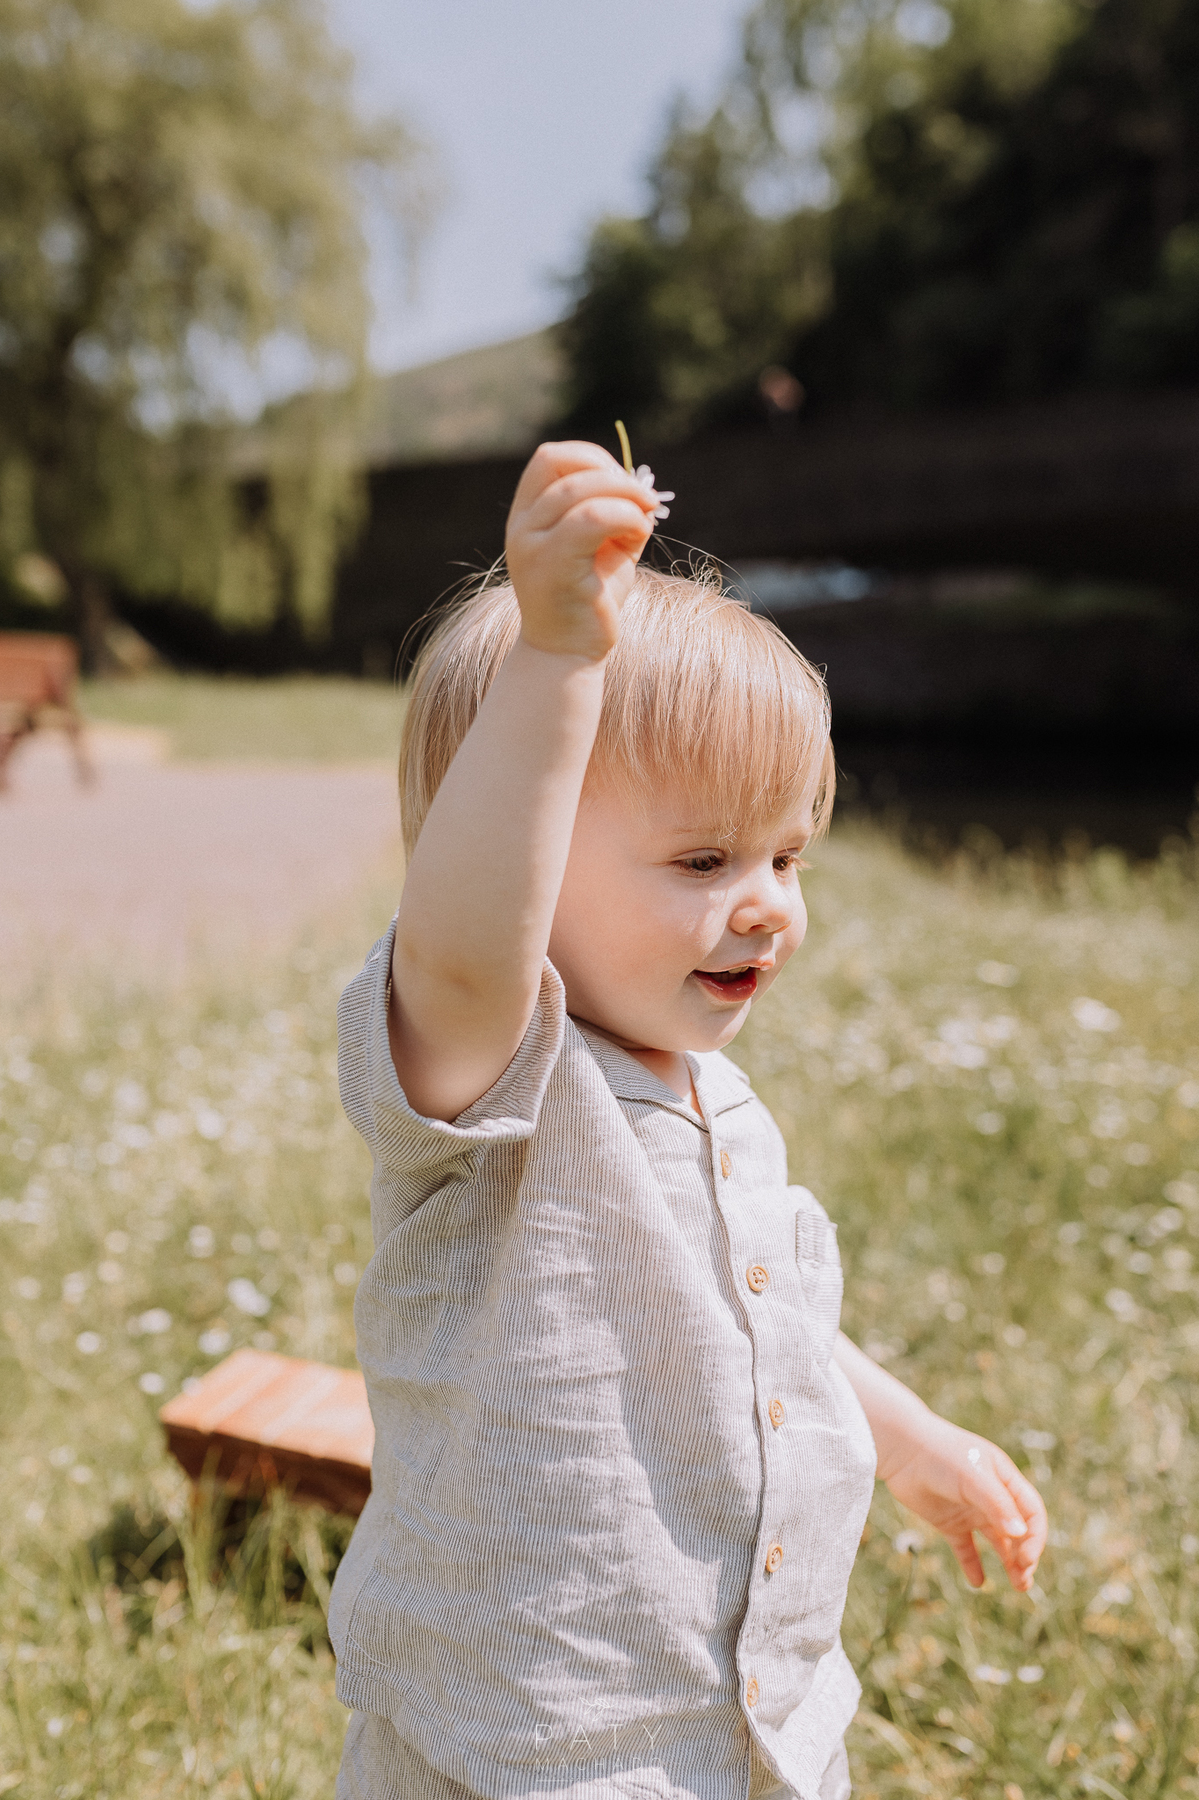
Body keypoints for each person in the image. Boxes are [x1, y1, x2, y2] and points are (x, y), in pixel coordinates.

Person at [331, 441, 1047, 1800]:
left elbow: (766, 1331)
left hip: (741, 1731)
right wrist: (555, 660)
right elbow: (471, 938)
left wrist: (913, 1444)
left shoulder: (712, 1094)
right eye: (704, 860)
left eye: (788, 854)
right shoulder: (487, 1068)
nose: (770, 900)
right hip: (524, 1742)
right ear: (521, 858)